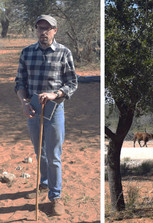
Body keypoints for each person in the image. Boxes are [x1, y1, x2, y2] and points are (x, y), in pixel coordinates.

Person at [14, 15, 78, 216]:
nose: (43, 32)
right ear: (36, 30)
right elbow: (19, 83)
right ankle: (43, 184)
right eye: (40, 28)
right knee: (39, 150)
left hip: (55, 110)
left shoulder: (64, 53)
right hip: (32, 109)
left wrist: (54, 94)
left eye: (47, 28)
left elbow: (72, 83)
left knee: (54, 155)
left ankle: (55, 196)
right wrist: (24, 103)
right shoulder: (26, 53)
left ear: (55, 30)